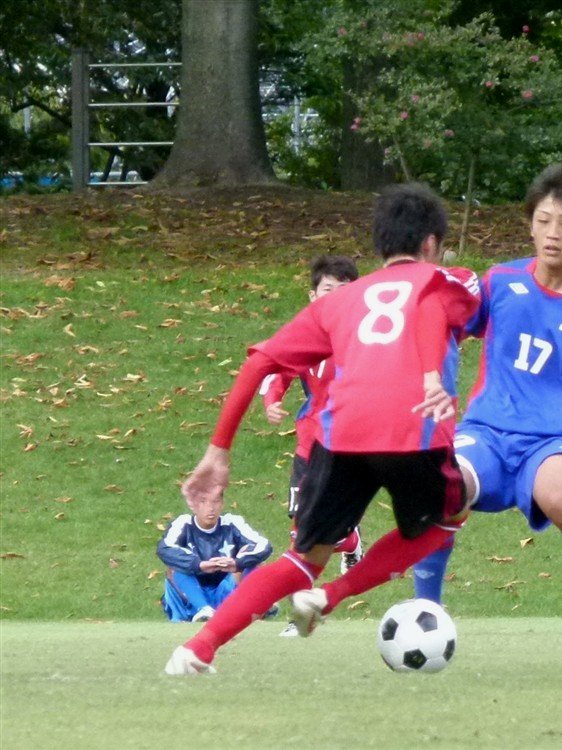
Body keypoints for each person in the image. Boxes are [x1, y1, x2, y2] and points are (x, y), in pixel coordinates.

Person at [164, 183, 479, 675]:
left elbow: (258, 363)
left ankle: (197, 649)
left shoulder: (338, 301)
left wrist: (217, 452)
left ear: (378, 247)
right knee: (450, 515)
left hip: (341, 437)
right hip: (412, 428)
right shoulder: (450, 279)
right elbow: (487, 320)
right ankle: (330, 596)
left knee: (302, 558)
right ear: (432, 244)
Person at [411, 163, 562, 667]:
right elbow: (448, 320)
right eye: (543, 220)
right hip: (487, 432)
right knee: (442, 488)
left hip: (555, 442)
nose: (552, 234)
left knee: (558, 496)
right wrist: (431, 371)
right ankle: (424, 614)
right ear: (530, 223)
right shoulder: (501, 281)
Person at [260, 254, 363, 639]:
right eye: (328, 290)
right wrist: (272, 401)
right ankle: (299, 615)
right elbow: (276, 370)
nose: (336, 297)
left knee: (323, 529)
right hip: (309, 446)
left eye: (345, 290)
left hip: (352, 447)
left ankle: (349, 539)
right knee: (300, 531)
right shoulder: (305, 336)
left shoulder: (364, 337)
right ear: (312, 295)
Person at [157, 495, 273, 622]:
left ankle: (249, 610)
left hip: (226, 590)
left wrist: (237, 563)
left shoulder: (232, 522)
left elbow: (264, 545)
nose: (210, 508)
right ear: (192, 505)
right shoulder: (182, 523)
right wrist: (198, 565)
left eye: (215, 502)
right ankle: (203, 609)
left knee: (253, 560)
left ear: (222, 504)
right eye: (203, 502)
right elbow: (164, 549)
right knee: (174, 564)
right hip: (189, 594)